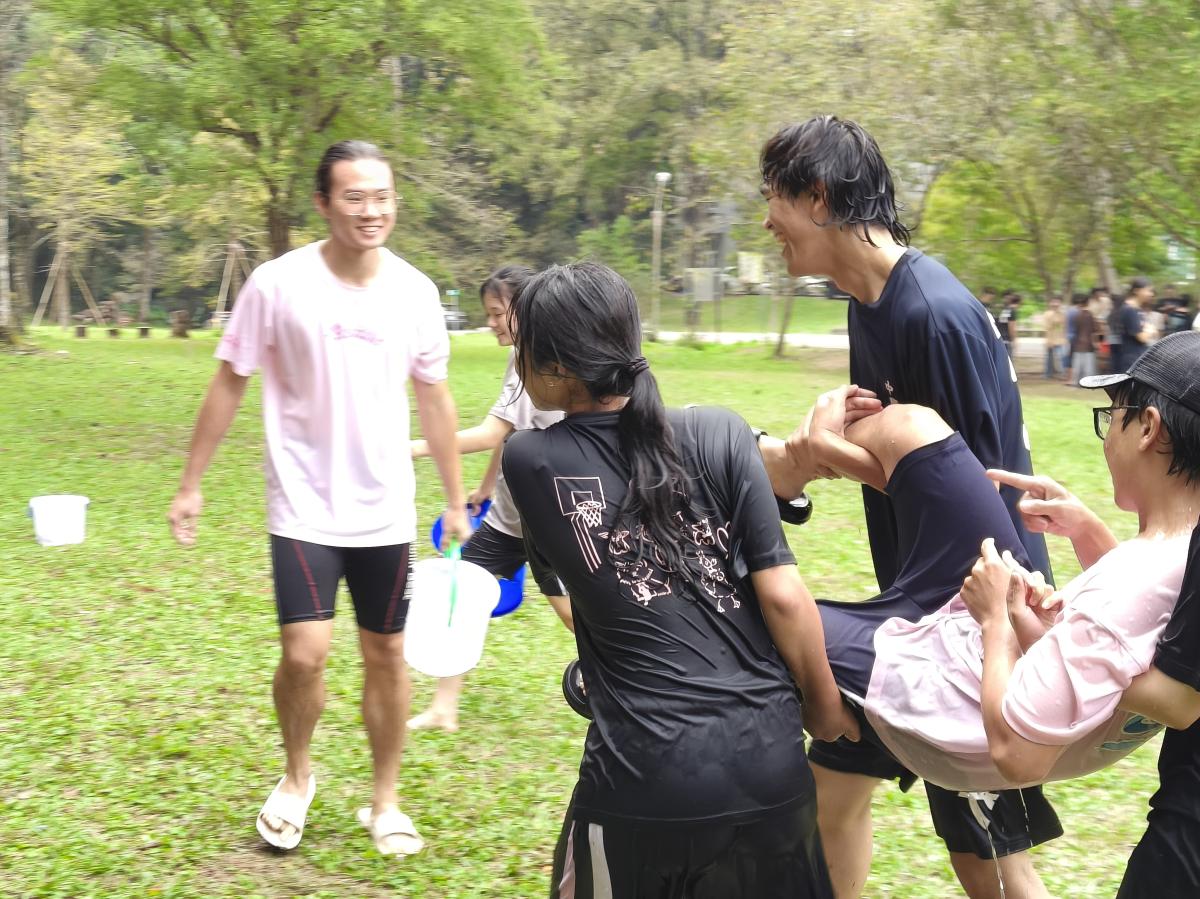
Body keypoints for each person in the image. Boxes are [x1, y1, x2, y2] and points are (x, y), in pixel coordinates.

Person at [759, 115, 1057, 899]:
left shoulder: (934, 314)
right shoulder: (870, 303)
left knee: (990, 862)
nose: (767, 222)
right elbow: (909, 462)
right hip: (911, 614)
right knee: (830, 797)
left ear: (817, 197)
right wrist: (838, 445)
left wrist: (827, 454)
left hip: (977, 621)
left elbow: (975, 494)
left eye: (773, 199)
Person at [502, 262, 854, 899]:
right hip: (772, 768)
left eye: (521, 345)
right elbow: (782, 595)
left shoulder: (530, 459)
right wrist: (824, 707)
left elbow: (581, 583)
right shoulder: (722, 430)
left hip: (642, 777)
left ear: (555, 365)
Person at [167, 140, 471, 856]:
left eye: (382, 196)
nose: (371, 210)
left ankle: (385, 799)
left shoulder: (415, 291)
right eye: (354, 196)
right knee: (305, 654)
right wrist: (191, 483)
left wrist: (456, 498)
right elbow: (230, 379)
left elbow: (435, 398)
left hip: (384, 507)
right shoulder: (277, 285)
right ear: (323, 203)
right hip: (302, 502)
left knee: (386, 652)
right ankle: (297, 777)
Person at [788, 332, 1199, 798]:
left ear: (1148, 429)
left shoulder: (1132, 584)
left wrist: (995, 621)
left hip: (945, 701)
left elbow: (1018, 756)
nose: (1107, 438)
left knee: (761, 609)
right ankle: (809, 453)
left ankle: (793, 454)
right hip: (978, 656)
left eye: (1112, 419)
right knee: (914, 429)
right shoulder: (1177, 556)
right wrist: (1085, 532)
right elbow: (1124, 633)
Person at [407, 264, 573, 734]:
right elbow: (510, 435)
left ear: (526, 309)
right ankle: (444, 707)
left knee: (572, 610)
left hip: (552, 519)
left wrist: (414, 447)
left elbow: (489, 433)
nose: (492, 322)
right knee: (461, 591)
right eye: (489, 314)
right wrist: (484, 489)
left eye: (499, 313)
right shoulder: (519, 358)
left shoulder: (544, 360)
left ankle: (633, 675)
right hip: (509, 516)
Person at [1111, 277, 1156, 373]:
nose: (1151, 294)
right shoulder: (1130, 310)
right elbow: (1142, 337)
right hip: (1132, 361)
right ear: (1136, 291)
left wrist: (1148, 330)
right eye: (1148, 290)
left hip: (1138, 359)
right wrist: (1150, 330)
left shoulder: (1137, 309)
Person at [1069, 293, 1098, 386]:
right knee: (1088, 366)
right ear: (1087, 303)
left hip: (1077, 344)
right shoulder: (1090, 315)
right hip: (1088, 344)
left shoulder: (1076, 315)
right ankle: (1087, 383)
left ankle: (1076, 382)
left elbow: (1073, 330)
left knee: (1077, 365)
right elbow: (1094, 330)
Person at [1042, 294, 1066, 380]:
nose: (1056, 304)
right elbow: (1047, 328)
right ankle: (1048, 374)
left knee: (1061, 356)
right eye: (1054, 302)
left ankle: (1063, 373)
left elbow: (1063, 326)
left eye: (1058, 302)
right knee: (1049, 358)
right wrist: (1049, 341)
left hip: (1060, 339)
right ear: (1050, 303)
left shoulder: (1062, 314)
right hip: (1050, 339)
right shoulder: (1047, 314)